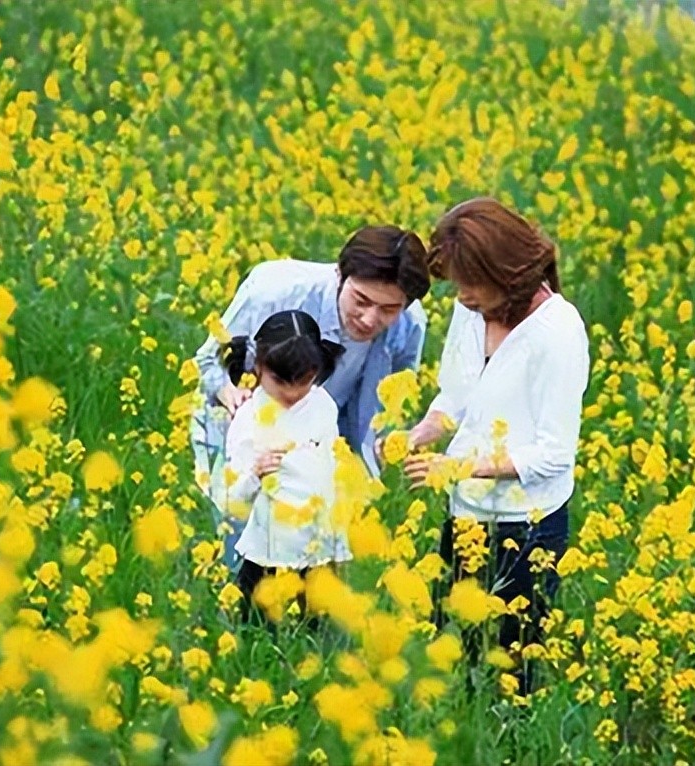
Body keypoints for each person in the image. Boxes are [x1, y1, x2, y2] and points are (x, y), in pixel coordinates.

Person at [399, 197, 590, 695]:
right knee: (452, 654)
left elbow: (553, 454)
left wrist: (459, 467)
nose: (460, 297)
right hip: (465, 513)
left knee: (512, 667)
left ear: (506, 273)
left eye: (468, 284)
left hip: (527, 526)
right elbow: (458, 392)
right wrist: (424, 430)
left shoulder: (559, 332)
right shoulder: (475, 309)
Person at [192, 226, 431, 566]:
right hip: (246, 422)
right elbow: (207, 360)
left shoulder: (410, 324)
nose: (369, 318)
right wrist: (230, 392)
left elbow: (392, 396)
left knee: (317, 553)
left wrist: (384, 442)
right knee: (240, 548)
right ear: (339, 275)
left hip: (323, 431)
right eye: (361, 300)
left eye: (388, 309)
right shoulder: (275, 292)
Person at [214, 309, 350, 622]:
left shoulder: (323, 405)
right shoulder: (248, 418)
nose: (291, 393)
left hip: (319, 545)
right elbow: (231, 499)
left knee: (318, 631)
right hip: (270, 549)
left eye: (303, 382)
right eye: (280, 381)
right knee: (257, 630)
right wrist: (255, 473)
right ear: (258, 367)